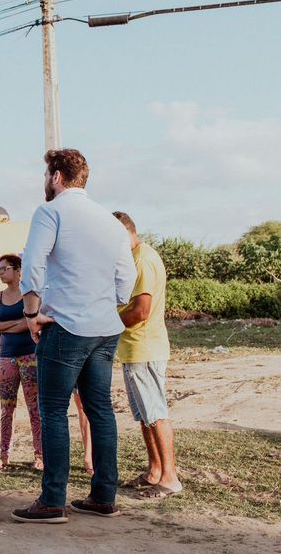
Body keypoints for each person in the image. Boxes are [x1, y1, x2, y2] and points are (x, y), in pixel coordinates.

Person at [11, 149, 136, 524]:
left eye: (46, 173)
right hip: (105, 329)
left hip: (65, 326)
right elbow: (125, 278)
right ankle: (103, 496)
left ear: (57, 177)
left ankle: (52, 501)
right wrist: (105, 302)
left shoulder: (50, 212)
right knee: (101, 411)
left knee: (52, 411)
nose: (44, 180)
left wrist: (32, 314)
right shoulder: (110, 221)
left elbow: (32, 264)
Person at [113, 211, 183, 498]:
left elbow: (140, 310)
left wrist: (109, 324)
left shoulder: (142, 259)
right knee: (144, 415)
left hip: (144, 347)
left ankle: (170, 477)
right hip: (135, 348)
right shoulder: (135, 258)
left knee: (155, 414)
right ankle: (155, 471)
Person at [0, 254, 43, 471]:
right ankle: (4, 455)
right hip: (6, 357)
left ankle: (40, 455)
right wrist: (18, 323)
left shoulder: (28, 295)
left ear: (18, 271)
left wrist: (4, 325)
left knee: (34, 408)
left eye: (4, 268)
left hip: (29, 356)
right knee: (6, 408)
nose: (0, 272)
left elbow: (31, 323)